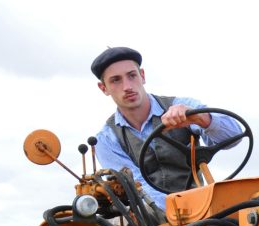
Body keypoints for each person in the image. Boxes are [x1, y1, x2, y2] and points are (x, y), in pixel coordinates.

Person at [92, 46, 243, 211]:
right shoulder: (106, 140)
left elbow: (234, 137)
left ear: (142, 76)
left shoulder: (182, 106)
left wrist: (201, 119)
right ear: (103, 88)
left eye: (132, 76)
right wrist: (178, 211)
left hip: (202, 207)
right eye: (116, 80)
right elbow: (137, 186)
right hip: (151, 220)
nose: (127, 86)